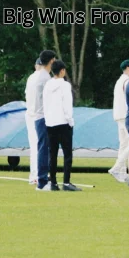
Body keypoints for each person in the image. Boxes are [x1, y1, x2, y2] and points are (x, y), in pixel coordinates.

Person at [43, 60, 80, 191]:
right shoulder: (65, 85)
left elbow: (45, 104)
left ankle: (53, 182)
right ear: (62, 71)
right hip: (63, 122)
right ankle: (66, 182)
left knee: (52, 153)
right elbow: (67, 105)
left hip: (50, 123)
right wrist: (70, 120)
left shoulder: (47, 85)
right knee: (67, 153)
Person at [26, 50, 55, 191]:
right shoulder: (45, 79)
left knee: (38, 147)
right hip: (42, 116)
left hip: (34, 114)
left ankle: (39, 177)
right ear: (51, 61)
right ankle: (41, 180)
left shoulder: (35, 77)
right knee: (43, 148)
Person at [109, 59, 129, 182]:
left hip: (119, 115)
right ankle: (117, 167)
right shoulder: (127, 81)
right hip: (125, 115)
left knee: (124, 144)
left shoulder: (120, 80)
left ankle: (122, 172)